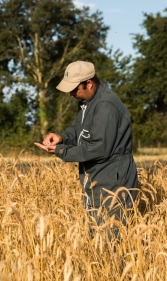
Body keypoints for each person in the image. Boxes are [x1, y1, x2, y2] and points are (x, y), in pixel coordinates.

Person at [34, 61, 138, 238]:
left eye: (74, 89)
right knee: (95, 234)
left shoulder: (106, 106)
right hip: (96, 177)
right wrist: (62, 138)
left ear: (89, 83)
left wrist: (62, 151)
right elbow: (79, 130)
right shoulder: (88, 101)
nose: (71, 94)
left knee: (111, 238)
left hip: (113, 179)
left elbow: (99, 148)